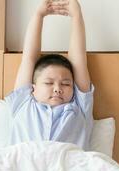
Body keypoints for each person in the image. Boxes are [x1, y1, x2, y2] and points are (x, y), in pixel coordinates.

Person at [5, 0, 94, 151]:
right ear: (33, 88)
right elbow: (29, 57)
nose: (57, 89)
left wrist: (77, 15)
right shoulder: (22, 103)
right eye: (48, 83)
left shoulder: (79, 106)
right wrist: (38, 15)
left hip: (67, 170)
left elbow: (78, 61)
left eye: (66, 84)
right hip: (25, 166)